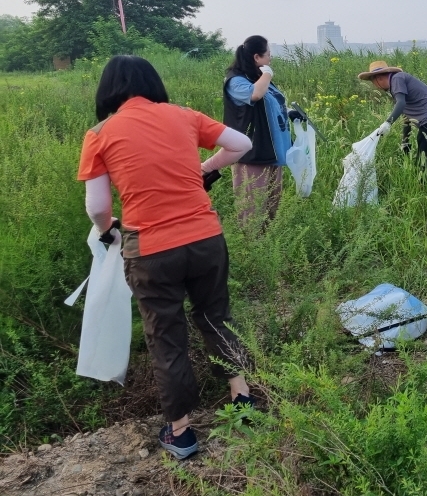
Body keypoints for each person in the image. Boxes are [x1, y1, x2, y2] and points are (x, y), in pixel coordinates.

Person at [78, 55, 256, 460]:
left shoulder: (100, 133)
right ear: (153, 82)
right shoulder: (183, 115)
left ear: (107, 89)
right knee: (215, 315)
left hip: (152, 250)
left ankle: (181, 432)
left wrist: (108, 229)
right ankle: (242, 399)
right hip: (206, 239)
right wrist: (203, 171)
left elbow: (96, 206)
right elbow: (242, 145)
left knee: (166, 336)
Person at [223, 36, 292, 227]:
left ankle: (268, 249)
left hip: (273, 152)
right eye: (268, 55)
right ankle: (251, 251)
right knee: (252, 207)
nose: (270, 59)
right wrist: (268, 74)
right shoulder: (236, 81)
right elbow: (255, 94)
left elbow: (273, 105)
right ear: (256, 57)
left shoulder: (258, 79)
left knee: (271, 206)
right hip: (252, 154)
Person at [358, 60, 427, 171]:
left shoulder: (397, 79)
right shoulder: (396, 84)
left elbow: (401, 104)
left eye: (373, 83)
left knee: (426, 166)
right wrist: (405, 141)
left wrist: (387, 123)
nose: (376, 87)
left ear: (378, 78)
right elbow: (406, 114)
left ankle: (424, 187)